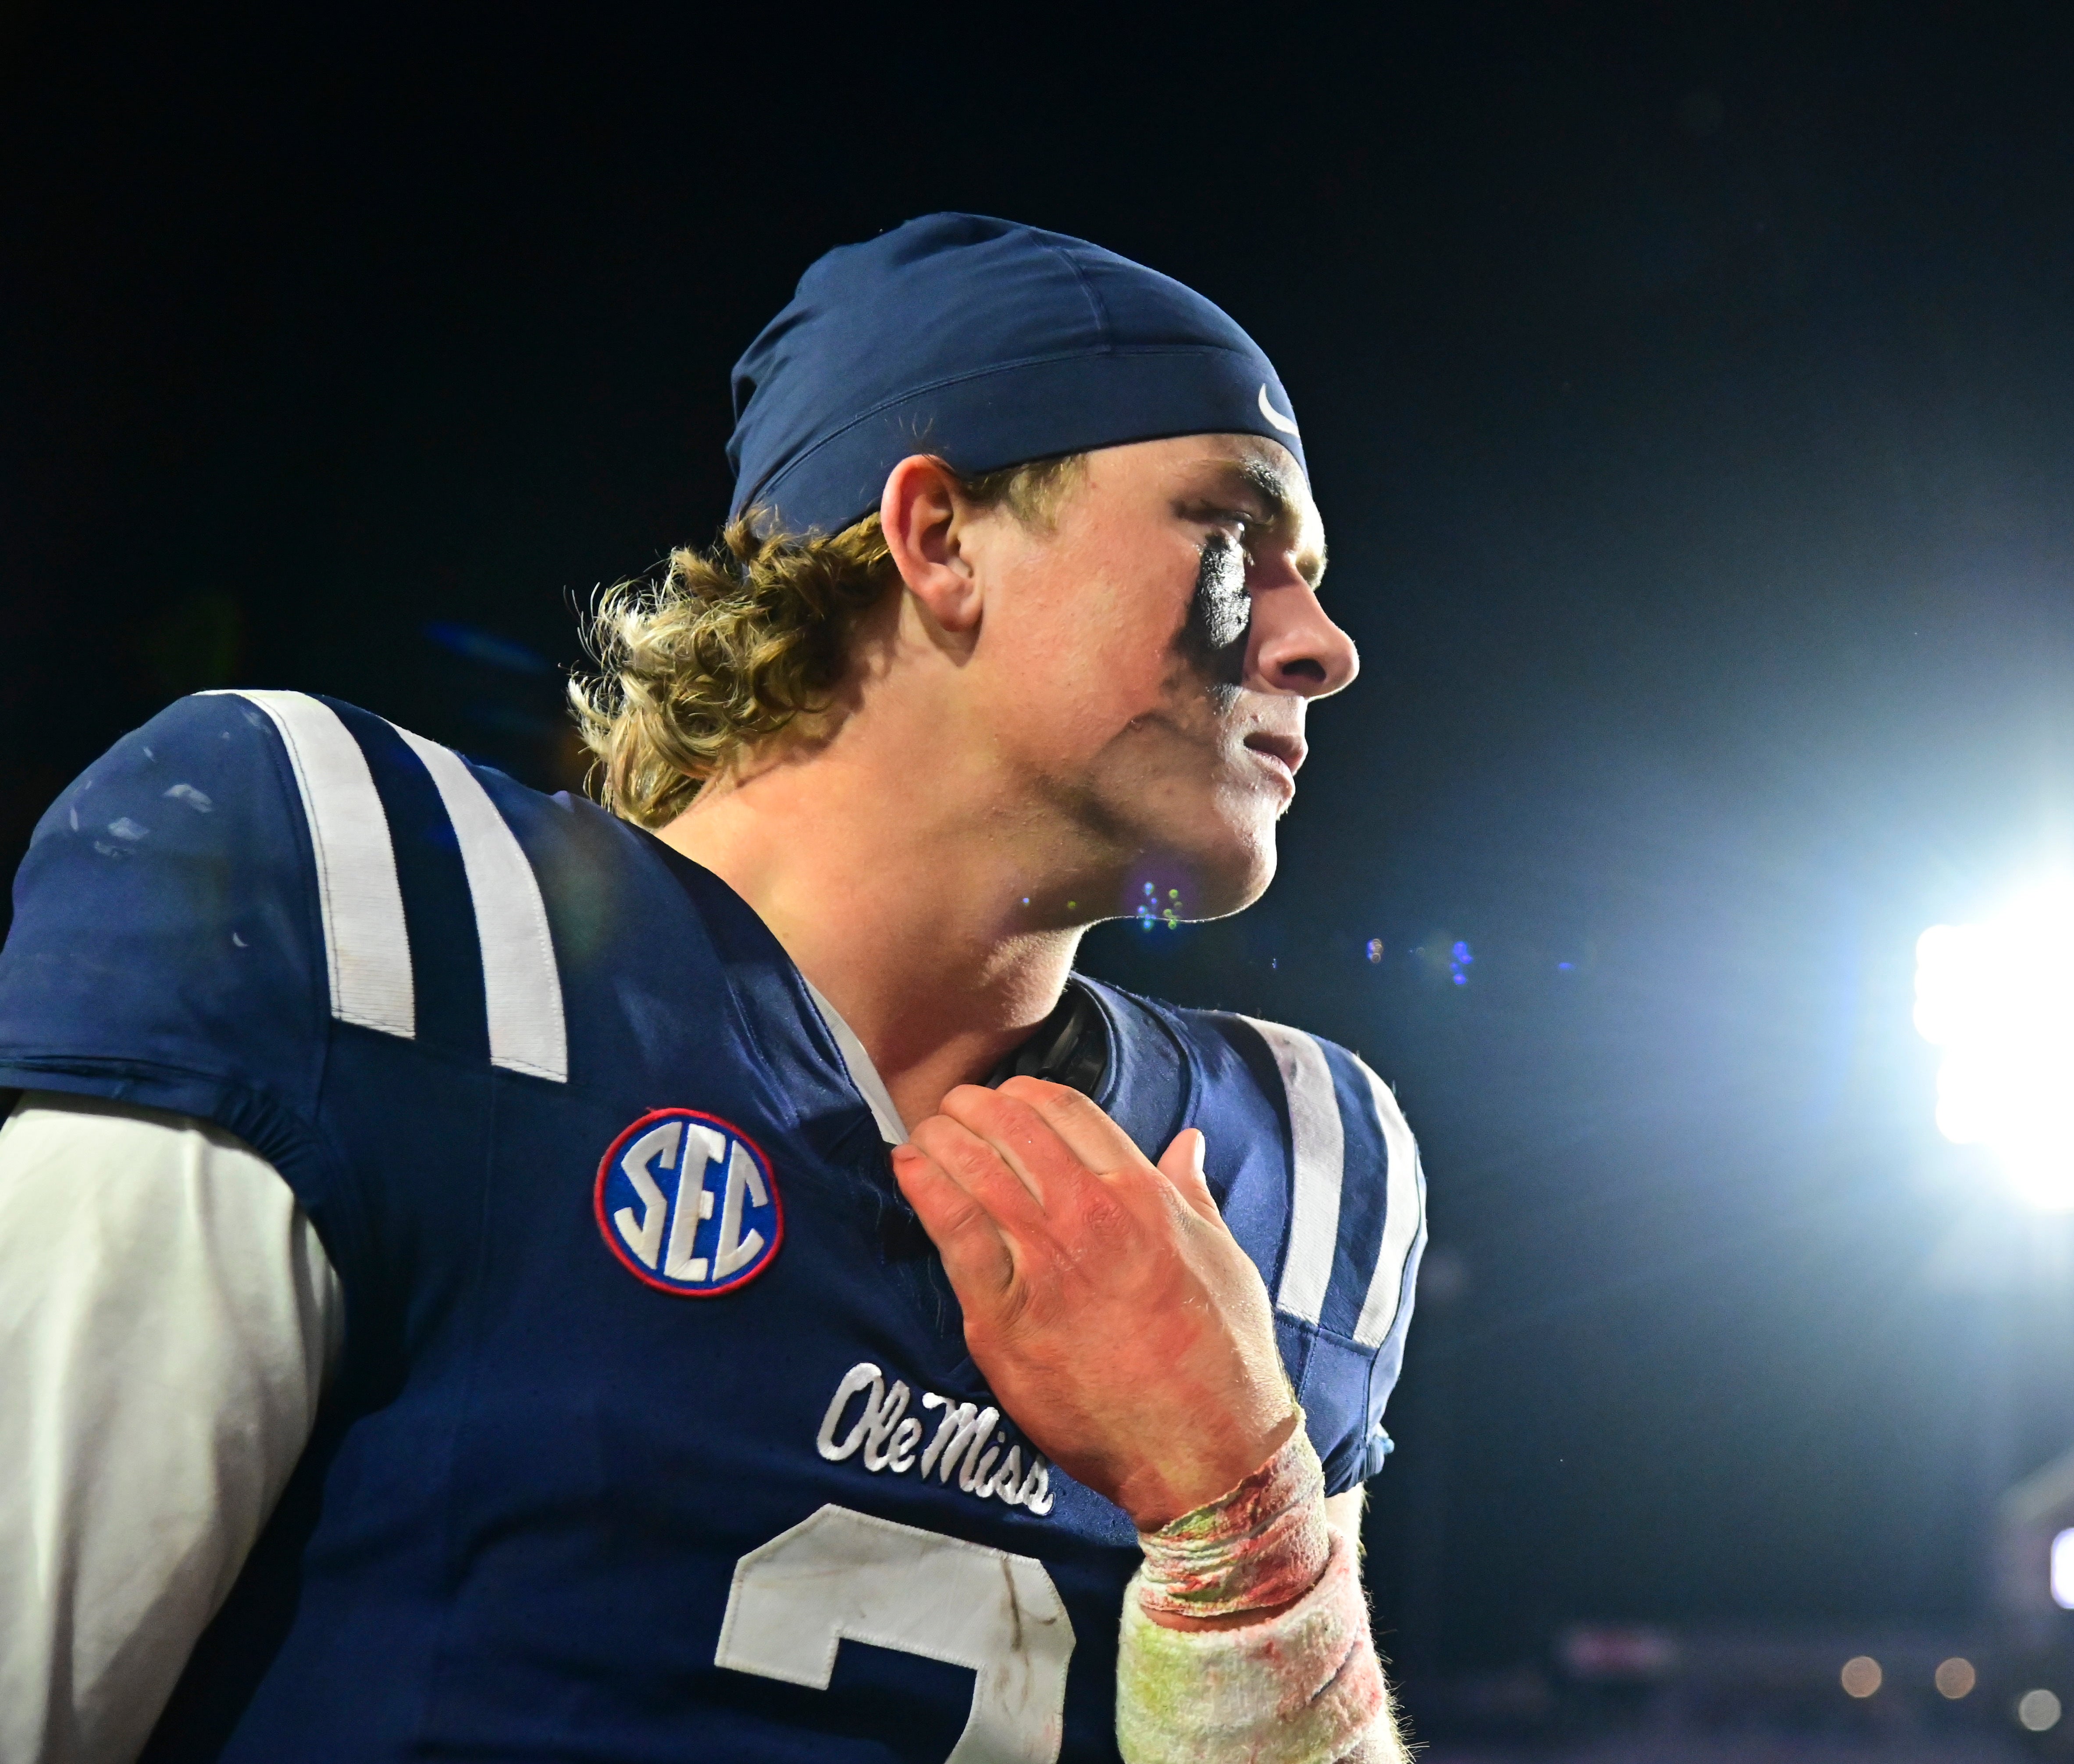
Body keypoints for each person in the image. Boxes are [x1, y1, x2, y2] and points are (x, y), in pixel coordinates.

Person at [0, 213, 1424, 1764]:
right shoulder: (370, 916)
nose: (1323, 644)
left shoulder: (1291, 1171)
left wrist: (1248, 1529)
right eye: (1234, 536)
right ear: (940, 539)